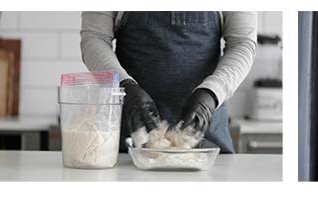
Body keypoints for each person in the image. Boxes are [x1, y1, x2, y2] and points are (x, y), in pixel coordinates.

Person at [81, 11, 257, 153]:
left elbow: (242, 43)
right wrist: (123, 86)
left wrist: (212, 92)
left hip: (207, 136)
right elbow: (94, 38)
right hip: (132, 137)